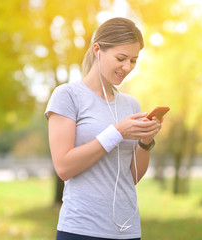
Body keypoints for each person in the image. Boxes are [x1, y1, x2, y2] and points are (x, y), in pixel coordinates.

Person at [45, 17, 164, 240]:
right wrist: (117, 133)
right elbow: (63, 167)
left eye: (133, 61)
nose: (127, 67)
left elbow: (132, 176)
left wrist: (146, 141)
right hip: (81, 230)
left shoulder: (130, 105)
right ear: (97, 49)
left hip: (127, 230)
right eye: (121, 58)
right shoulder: (68, 96)